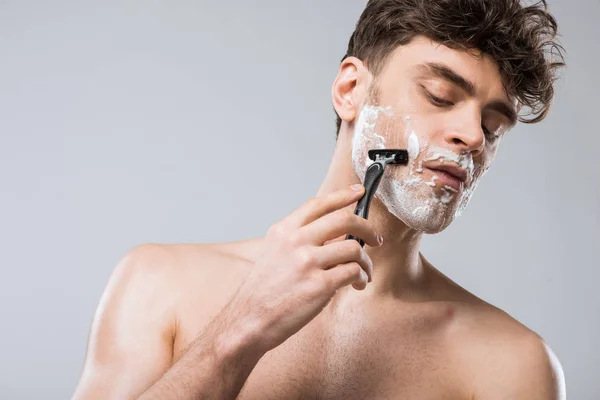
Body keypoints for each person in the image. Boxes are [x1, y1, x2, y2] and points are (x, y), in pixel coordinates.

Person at [73, 0, 567, 398]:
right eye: (439, 95)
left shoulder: (512, 363)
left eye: (493, 125)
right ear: (350, 89)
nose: (472, 137)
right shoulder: (159, 285)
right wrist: (239, 329)